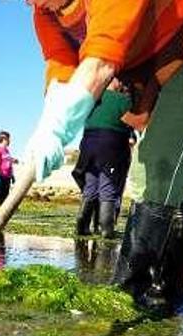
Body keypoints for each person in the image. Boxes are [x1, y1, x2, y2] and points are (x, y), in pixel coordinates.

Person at [21, 0, 183, 312]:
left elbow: (100, 62)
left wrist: (58, 128)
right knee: (168, 172)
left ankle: (129, 293)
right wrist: (48, 125)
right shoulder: (45, 13)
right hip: (164, 58)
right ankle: (166, 290)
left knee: (159, 166)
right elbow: (61, 69)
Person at [72, 79, 134, 238]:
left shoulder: (93, 98)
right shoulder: (124, 101)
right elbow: (135, 125)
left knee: (91, 185)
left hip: (88, 145)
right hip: (111, 146)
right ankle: (106, 229)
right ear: (117, 82)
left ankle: (82, 226)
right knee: (108, 187)